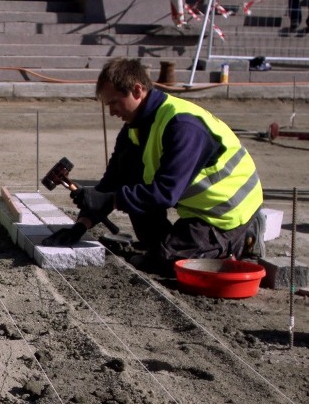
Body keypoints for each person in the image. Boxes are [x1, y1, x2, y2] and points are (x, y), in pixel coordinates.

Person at [43, 58, 265, 270]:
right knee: (130, 188)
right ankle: (164, 244)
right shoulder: (134, 128)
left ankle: (244, 238)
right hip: (198, 210)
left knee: (167, 262)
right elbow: (113, 181)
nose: (111, 112)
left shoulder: (183, 127)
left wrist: (111, 199)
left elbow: (165, 193)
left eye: (114, 103)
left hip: (228, 214)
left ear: (137, 90)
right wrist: (80, 226)